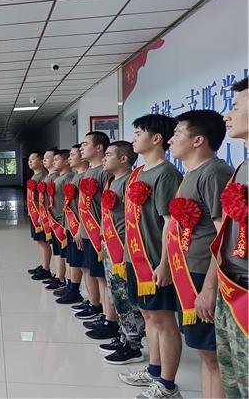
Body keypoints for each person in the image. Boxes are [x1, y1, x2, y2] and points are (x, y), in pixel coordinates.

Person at [168, 110, 233, 398]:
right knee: (205, 352)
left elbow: (224, 237)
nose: (171, 140)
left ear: (198, 140)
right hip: (188, 270)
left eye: (177, 133)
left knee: (212, 354)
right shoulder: (192, 173)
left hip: (204, 275)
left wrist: (209, 288)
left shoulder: (214, 173)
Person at [120, 114, 183, 399]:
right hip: (136, 259)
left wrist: (165, 264)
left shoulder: (166, 174)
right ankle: (154, 369)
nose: (134, 138)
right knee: (148, 316)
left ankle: (168, 384)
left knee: (163, 320)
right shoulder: (138, 173)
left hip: (156, 261)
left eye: (138, 133)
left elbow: (171, 223)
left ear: (156, 138)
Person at [96, 141, 146, 365]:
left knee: (126, 296)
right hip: (110, 246)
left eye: (108, 155)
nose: (104, 159)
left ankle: (133, 344)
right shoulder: (111, 181)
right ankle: (124, 336)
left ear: (124, 159)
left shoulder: (130, 181)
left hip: (124, 249)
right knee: (116, 294)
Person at [214, 77, 248, 398]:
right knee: (234, 379)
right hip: (231, 288)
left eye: (236, 107)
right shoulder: (242, 167)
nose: (228, 115)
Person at [74, 132, 110, 320]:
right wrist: (80, 229)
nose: (82, 148)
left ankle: (108, 317)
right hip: (88, 232)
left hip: (100, 235)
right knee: (94, 273)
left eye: (85, 144)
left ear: (99, 147)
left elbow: (107, 207)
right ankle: (97, 307)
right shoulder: (88, 171)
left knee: (104, 278)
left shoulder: (104, 172)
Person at [56, 144, 89, 305]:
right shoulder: (76, 176)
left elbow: (86, 208)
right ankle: (71, 288)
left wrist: (80, 229)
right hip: (71, 225)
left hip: (80, 227)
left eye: (73, 155)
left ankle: (84, 296)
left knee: (83, 265)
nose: (69, 159)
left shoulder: (85, 177)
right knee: (73, 260)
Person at [45, 150, 75, 291]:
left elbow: (68, 202)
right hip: (54, 220)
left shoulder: (68, 177)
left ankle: (68, 283)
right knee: (58, 252)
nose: (53, 162)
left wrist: (64, 222)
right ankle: (59, 277)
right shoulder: (59, 177)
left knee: (66, 255)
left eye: (56, 159)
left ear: (66, 161)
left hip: (61, 221)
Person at [34, 148, 59, 282]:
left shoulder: (55, 177)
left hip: (52, 217)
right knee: (43, 242)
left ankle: (51, 272)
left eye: (48, 157)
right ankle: (45, 267)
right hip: (43, 215)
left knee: (52, 246)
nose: (44, 160)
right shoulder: (46, 176)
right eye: (44, 157)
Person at [27, 152, 52, 279]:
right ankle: (42, 265)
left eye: (33, 159)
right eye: (29, 160)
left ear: (41, 161)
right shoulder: (35, 175)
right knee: (39, 242)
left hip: (40, 214)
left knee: (43, 242)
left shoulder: (43, 176)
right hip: (34, 214)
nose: (30, 161)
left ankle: (46, 268)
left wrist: (41, 215)